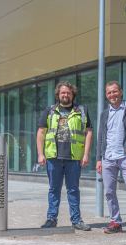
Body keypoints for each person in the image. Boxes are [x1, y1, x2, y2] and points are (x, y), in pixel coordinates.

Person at [37, 81, 93, 231]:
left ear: (72, 94)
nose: (65, 95)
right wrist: (40, 154)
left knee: (73, 190)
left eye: (68, 92)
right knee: (54, 189)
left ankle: (76, 220)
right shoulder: (49, 110)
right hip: (53, 157)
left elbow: (88, 132)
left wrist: (86, 154)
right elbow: (41, 132)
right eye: (63, 92)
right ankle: (51, 219)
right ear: (58, 94)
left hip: (74, 157)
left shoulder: (81, 110)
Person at [96, 81, 126, 237]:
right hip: (108, 157)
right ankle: (116, 222)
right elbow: (101, 137)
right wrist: (98, 159)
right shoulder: (104, 114)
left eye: (115, 91)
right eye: (109, 93)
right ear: (106, 95)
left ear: (121, 92)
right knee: (109, 191)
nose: (112, 95)